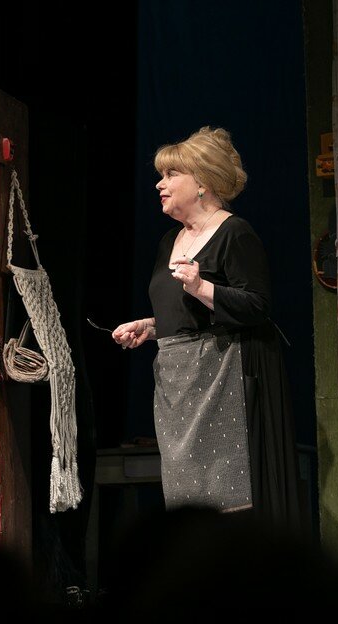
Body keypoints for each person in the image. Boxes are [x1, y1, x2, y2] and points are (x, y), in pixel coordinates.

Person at [112, 126, 301, 527]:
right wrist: (151, 326)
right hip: (178, 386)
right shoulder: (169, 241)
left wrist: (202, 287)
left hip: (222, 380)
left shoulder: (235, 233)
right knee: (189, 502)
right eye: (160, 175)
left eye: (171, 175)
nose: (159, 184)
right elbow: (184, 313)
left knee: (229, 494)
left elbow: (258, 305)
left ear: (201, 183)